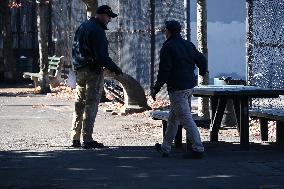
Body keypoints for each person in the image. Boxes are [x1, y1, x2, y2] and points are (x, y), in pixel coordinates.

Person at [151, 20, 207, 159]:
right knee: (173, 119)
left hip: (177, 88)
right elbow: (202, 60)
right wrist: (202, 72)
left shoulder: (168, 47)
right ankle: (165, 148)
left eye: (165, 31)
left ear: (168, 32)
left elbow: (164, 71)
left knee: (186, 119)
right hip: (188, 86)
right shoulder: (188, 44)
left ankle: (198, 148)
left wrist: (156, 89)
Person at [70, 5, 123, 149]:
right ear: (101, 15)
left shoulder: (83, 26)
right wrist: (116, 69)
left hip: (80, 69)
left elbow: (74, 49)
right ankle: (87, 139)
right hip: (93, 71)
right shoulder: (98, 30)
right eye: (109, 16)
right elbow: (102, 56)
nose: (110, 19)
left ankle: (75, 137)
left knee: (79, 103)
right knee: (91, 104)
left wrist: (77, 66)